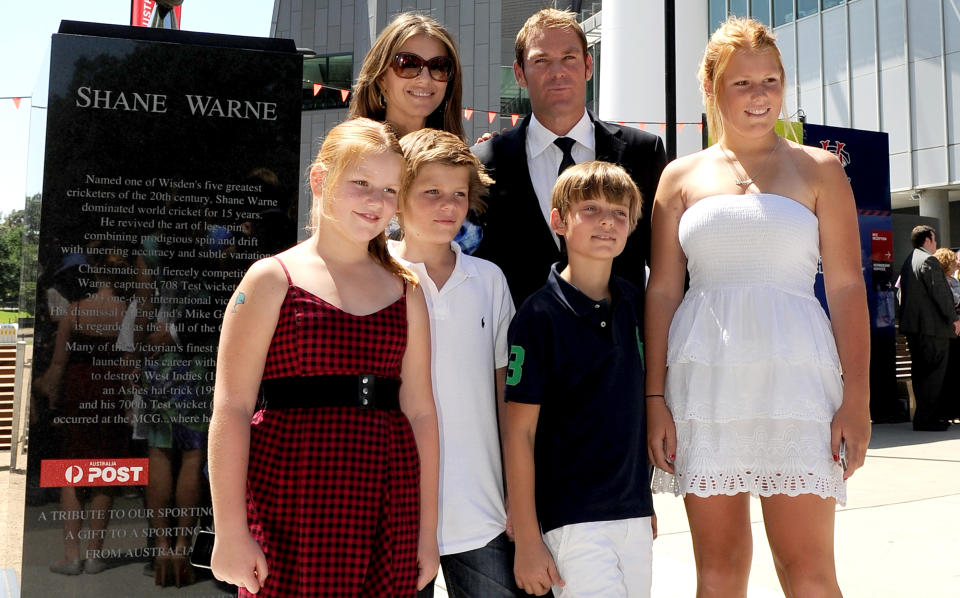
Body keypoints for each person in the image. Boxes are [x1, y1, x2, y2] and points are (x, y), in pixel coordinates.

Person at [645, 17, 870, 597]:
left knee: (809, 572)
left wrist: (858, 397)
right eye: (743, 83)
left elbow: (847, 287)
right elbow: (663, 292)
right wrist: (654, 399)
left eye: (771, 79)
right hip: (704, 390)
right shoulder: (678, 178)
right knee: (718, 571)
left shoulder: (819, 168)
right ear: (712, 89)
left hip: (798, 386)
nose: (760, 95)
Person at [207, 118, 440, 597]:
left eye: (390, 189)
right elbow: (231, 408)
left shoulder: (407, 290)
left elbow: (420, 410)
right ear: (320, 179)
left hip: (386, 499)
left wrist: (426, 530)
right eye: (361, 184)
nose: (376, 202)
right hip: (290, 498)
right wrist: (230, 531)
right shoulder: (270, 279)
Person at [503, 161, 655, 597]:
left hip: (632, 513)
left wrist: (641, 504)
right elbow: (519, 434)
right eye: (590, 209)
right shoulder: (537, 316)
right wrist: (529, 540)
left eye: (619, 213)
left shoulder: (634, 304)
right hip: (572, 519)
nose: (607, 221)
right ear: (559, 220)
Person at [387, 128, 523, 598]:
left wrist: (517, 496)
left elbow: (507, 396)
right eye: (431, 193)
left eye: (459, 194)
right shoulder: (374, 276)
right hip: (395, 513)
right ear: (398, 196)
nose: (449, 206)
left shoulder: (489, 280)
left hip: (480, 510)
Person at [472, 8, 666, 307]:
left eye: (569, 57)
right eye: (541, 60)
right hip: (518, 345)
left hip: (620, 344)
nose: (557, 71)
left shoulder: (643, 152)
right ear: (520, 73)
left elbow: (666, 268)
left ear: (588, 66)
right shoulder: (484, 163)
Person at [349, 12, 464, 140]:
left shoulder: (456, 155)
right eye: (409, 64)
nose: (425, 80)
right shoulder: (352, 154)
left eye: (438, 66)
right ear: (381, 76)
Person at [898, 226, 960, 431]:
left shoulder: (910, 260)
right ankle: (928, 418)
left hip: (916, 329)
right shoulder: (929, 261)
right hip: (932, 329)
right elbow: (940, 294)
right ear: (926, 241)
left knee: (921, 372)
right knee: (934, 373)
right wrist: (954, 319)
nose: (936, 244)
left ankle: (923, 417)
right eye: (934, 240)